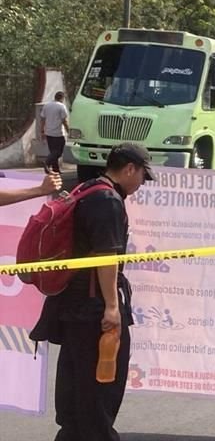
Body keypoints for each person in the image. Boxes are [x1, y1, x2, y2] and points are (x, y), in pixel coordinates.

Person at [30, 142, 153, 441]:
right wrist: (112, 307)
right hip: (93, 308)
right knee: (100, 390)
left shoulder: (86, 189)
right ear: (129, 169)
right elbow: (106, 256)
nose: (141, 183)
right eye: (142, 176)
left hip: (73, 304)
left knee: (76, 388)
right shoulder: (108, 200)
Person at [40, 91, 70, 173]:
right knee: (58, 152)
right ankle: (47, 162)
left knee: (53, 152)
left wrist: (42, 131)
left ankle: (55, 169)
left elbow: (42, 119)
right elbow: (64, 121)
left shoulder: (47, 105)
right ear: (62, 98)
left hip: (48, 133)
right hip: (58, 133)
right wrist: (68, 131)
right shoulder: (61, 106)